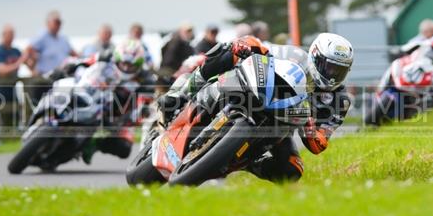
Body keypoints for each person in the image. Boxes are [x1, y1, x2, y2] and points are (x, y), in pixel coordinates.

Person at [157, 33, 354, 183]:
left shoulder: (339, 101)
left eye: (340, 71)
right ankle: (181, 93)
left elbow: (319, 144)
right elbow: (260, 46)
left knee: (293, 170)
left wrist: (310, 129)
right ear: (315, 56)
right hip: (257, 92)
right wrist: (245, 45)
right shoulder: (294, 55)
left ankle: (248, 163)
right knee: (226, 52)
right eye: (329, 67)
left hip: (282, 126)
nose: (333, 76)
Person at [47, 38, 157, 164]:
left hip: (116, 115)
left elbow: (143, 104)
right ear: (117, 58)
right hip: (91, 94)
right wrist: (67, 68)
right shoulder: (106, 56)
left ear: (138, 64)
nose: (126, 68)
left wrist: (134, 116)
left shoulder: (146, 79)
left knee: (124, 148)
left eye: (130, 65)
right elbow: (83, 61)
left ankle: (94, 144)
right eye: (123, 63)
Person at [24, 10, 78, 105]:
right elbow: (27, 51)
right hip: (46, 78)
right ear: (48, 23)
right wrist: (32, 68)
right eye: (56, 22)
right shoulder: (42, 36)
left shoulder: (63, 38)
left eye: (59, 22)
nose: (58, 25)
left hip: (62, 78)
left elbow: (73, 53)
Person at [0, 24, 28, 131]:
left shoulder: (15, 51)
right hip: (0, 91)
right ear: (3, 35)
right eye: (9, 34)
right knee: (5, 120)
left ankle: (14, 140)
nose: (11, 37)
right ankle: (5, 140)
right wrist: (20, 61)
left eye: (12, 34)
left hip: (12, 91)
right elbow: (2, 71)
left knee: (16, 117)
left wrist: (31, 54)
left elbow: (29, 63)